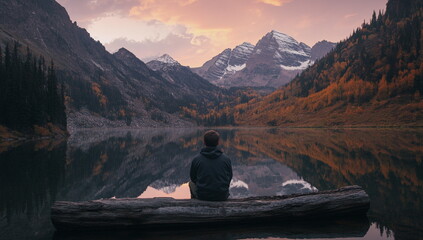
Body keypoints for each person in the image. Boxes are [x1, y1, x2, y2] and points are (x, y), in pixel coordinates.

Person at [189, 130, 232, 201]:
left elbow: (193, 178)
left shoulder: (197, 159)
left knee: (191, 184)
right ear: (218, 142)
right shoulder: (226, 159)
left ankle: (195, 204)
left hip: (203, 196)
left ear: (204, 142)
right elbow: (229, 177)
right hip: (222, 196)